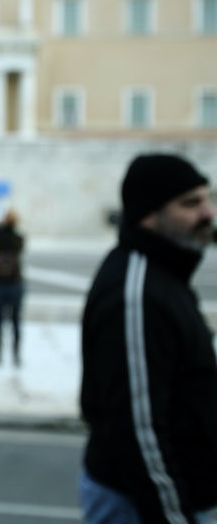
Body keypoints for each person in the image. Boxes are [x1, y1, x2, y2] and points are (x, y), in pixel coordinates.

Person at [79, 153, 217, 523]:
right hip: (142, 504)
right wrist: (173, 515)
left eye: (208, 199)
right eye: (191, 203)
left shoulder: (164, 273)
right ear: (149, 215)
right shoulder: (136, 291)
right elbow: (138, 429)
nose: (208, 213)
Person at [0, 209, 26, 366]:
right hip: (15, 283)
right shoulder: (18, 237)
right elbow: (19, 246)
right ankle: (16, 355)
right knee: (16, 320)